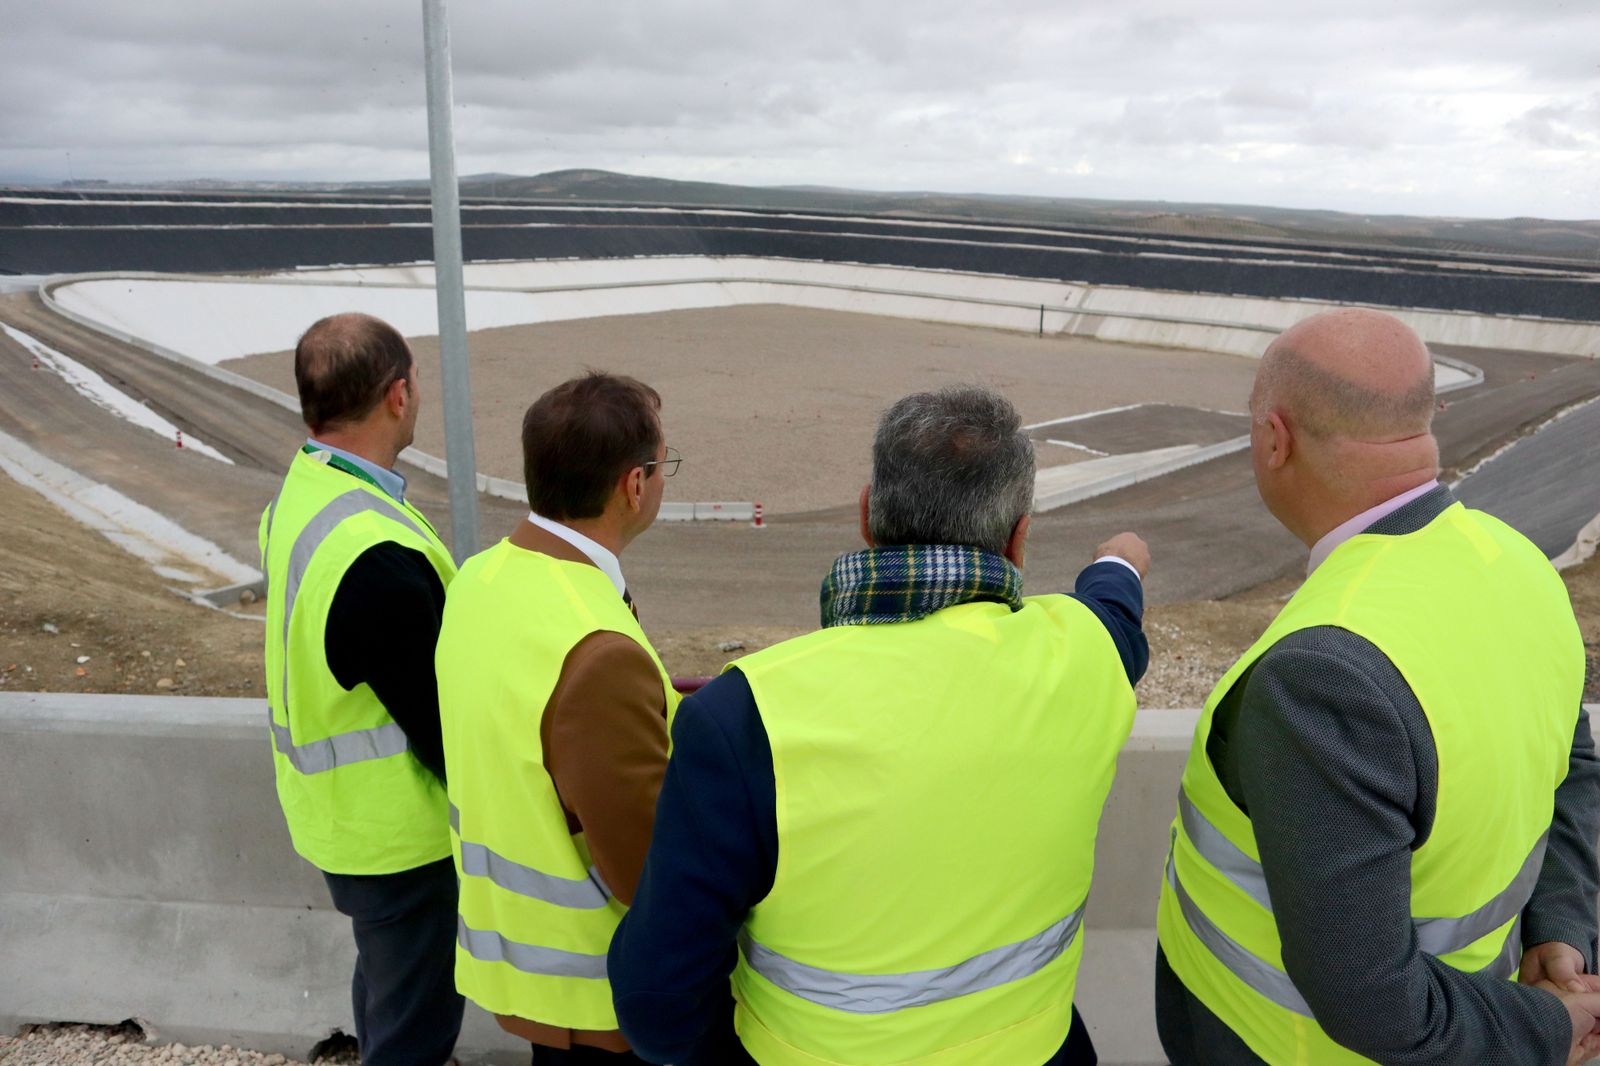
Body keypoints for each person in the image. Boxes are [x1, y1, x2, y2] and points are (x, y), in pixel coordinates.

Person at [609, 384, 1150, 1065]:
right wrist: (1120, 559)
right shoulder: (1086, 655)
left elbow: (658, 1004)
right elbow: (1115, 607)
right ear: (1019, 537)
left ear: (868, 517)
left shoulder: (745, 716)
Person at [1154, 308, 1600, 1066]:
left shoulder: (1322, 674)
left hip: (1281, 1046)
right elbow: (1574, 764)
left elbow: (1371, 999)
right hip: (1476, 1007)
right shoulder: (1517, 563)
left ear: (1273, 439)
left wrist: (1547, 1030)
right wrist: (1560, 922)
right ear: (1428, 420)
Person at [436, 372, 679, 1064]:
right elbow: (648, 866)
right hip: (602, 993)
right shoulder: (595, 644)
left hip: (519, 969)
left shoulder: (477, 580)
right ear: (634, 485)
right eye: (665, 465)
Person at [259, 312, 463, 1066]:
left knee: (384, 990)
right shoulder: (371, 551)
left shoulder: (304, 492)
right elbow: (441, 721)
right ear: (398, 395)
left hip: (335, 817)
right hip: (396, 838)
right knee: (413, 1031)